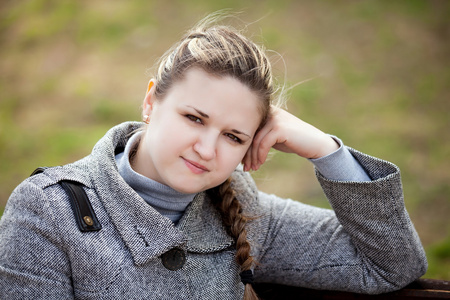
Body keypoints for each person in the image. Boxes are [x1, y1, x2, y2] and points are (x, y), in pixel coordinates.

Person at [0, 15, 427, 300]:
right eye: (193, 117)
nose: (206, 149)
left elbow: (393, 265)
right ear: (151, 102)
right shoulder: (48, 212)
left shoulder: (243, 210)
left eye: (233, 135)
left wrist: (325, 150)